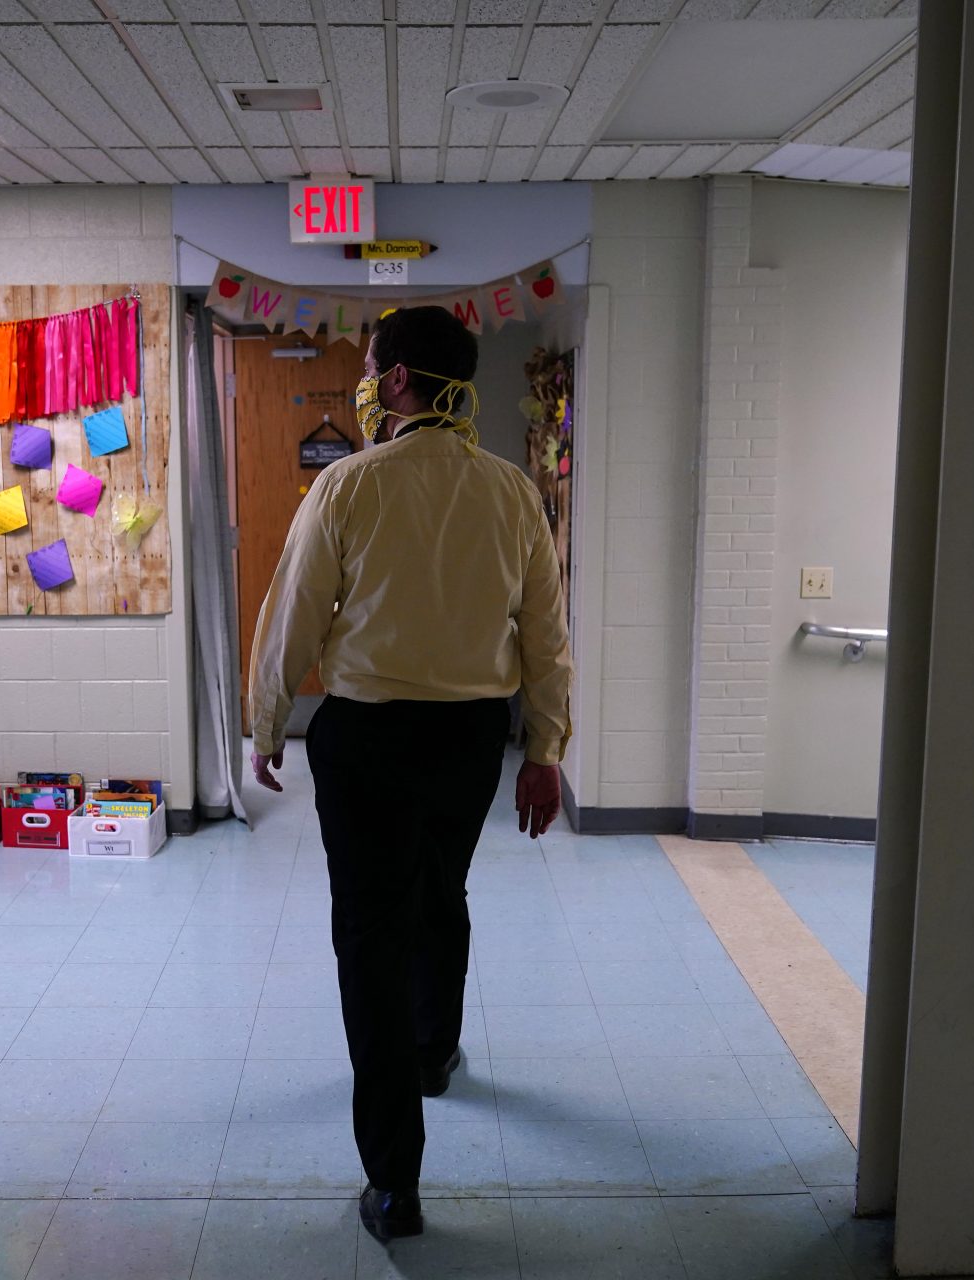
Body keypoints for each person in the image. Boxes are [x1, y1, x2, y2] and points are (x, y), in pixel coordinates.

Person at [247, 305, 573, 1244]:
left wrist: (268, 725)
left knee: (370, 936)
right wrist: (543, 752)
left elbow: (292, 613)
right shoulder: (512, 493)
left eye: (372, 366)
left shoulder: (347, 488)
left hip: (367, 740)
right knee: (442, 890)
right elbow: (547, 638)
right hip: (472, 739)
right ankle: (433, 1050)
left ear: (394, 384)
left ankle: (395, 1183)